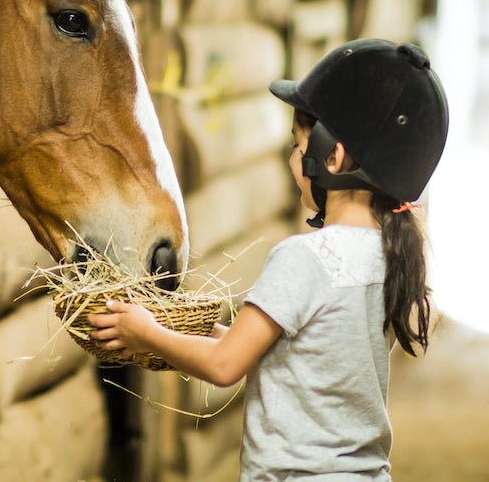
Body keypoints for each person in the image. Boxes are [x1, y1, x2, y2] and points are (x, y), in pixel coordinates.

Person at [88, 39, 449, 481]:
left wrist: (145, 333)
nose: (293, 160)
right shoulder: (393, 255)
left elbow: (225, 365)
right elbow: (294, 355)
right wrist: (180, 330)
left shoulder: (305, 257)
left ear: (331, 158)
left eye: (298, 148)